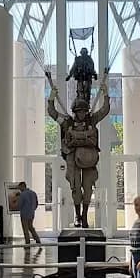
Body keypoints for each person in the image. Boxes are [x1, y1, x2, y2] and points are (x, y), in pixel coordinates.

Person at [47, 81, 110, 227]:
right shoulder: (67, 122)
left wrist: (106, 94)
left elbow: (105, 110)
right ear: (75, 111)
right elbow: (52, 113)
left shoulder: (92, 120)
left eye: (83, 111)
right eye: (79, 111)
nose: (81, 113)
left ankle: (85, 216)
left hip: (89, 157)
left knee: (88, 188)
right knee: (75, 187)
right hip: (72, 157)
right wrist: (51, 98)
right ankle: (77, 215)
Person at [17, 181, 41, 248]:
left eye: (20, 187)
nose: (19, 189)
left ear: (22, 186)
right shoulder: (33, 193)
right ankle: (37, 239)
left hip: (24, 214)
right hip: (31, 213)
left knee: (25, 229)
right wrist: (33, 209)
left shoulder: (22, 195)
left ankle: (27, 243)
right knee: (31, 227)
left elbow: (19, 205)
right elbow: (36, 203)